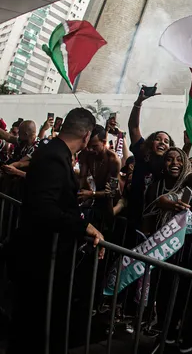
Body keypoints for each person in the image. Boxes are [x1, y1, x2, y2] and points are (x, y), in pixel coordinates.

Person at [7, 107, 104, 354]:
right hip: (39, 258)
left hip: (40, 256)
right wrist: (85, 226)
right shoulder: (54, 156)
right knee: (34, 329)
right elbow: (45, 208)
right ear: (86, 135)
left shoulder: (52, 151)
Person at [127, 86, 174, 234]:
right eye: (158, 139)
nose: (162, 143)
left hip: (157, 225)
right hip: (134, 217)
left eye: (166, 141)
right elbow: (133, 127)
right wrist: (138, 103)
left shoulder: (170, 167)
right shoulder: (142, 155)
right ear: (150, 143)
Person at [77, 124, 121, 230]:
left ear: (104, 142)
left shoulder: (113, 160)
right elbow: (82, 178)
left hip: (110, 201)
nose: (90, 149)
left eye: (94, 146)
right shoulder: (85, 154)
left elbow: (111, 192)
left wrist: (91, 194)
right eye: (89, 145)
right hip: (95, 197)